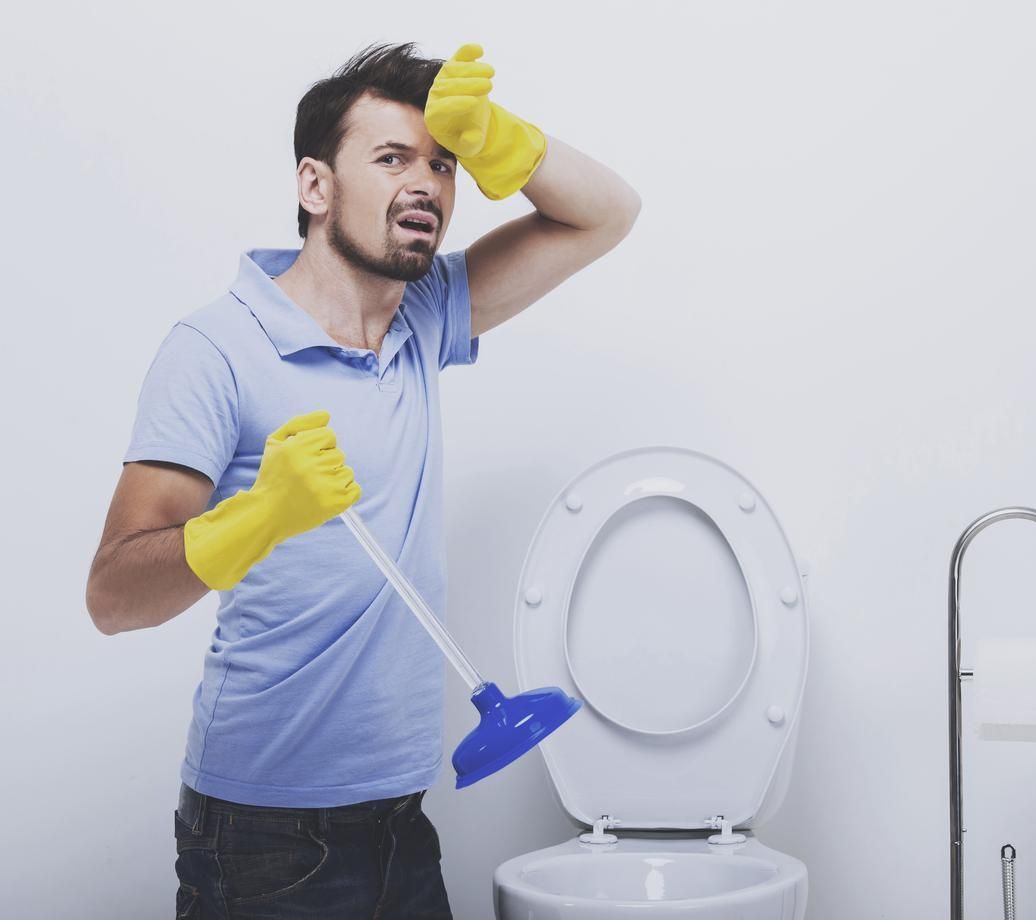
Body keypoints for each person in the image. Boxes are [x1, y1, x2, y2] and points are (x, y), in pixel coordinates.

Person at [85, 40, 640, 919]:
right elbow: (114, 598)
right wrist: (258, 517)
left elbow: (606, 214)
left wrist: (506, 140)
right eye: (391, 159)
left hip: (401, 814)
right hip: (263, 833)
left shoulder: (424, 316)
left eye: (444, 163)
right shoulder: (215, 351)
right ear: (315, 186)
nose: (426, 183)